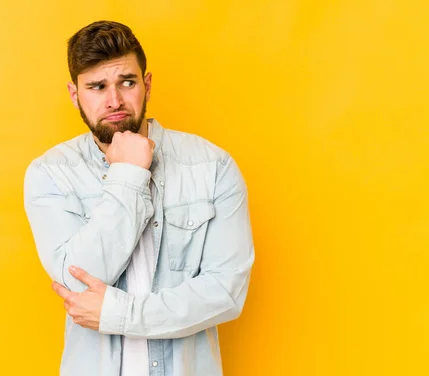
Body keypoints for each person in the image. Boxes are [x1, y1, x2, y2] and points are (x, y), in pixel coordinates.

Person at [23, 20, 255, 376]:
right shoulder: (51, 174)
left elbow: (225, 293)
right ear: (74, 94)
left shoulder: (212, 166)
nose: (114, 100)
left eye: (126, 83)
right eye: (97, 87)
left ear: (146, 84)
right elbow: (77, 282)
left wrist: (117, 313)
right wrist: (129, 176)